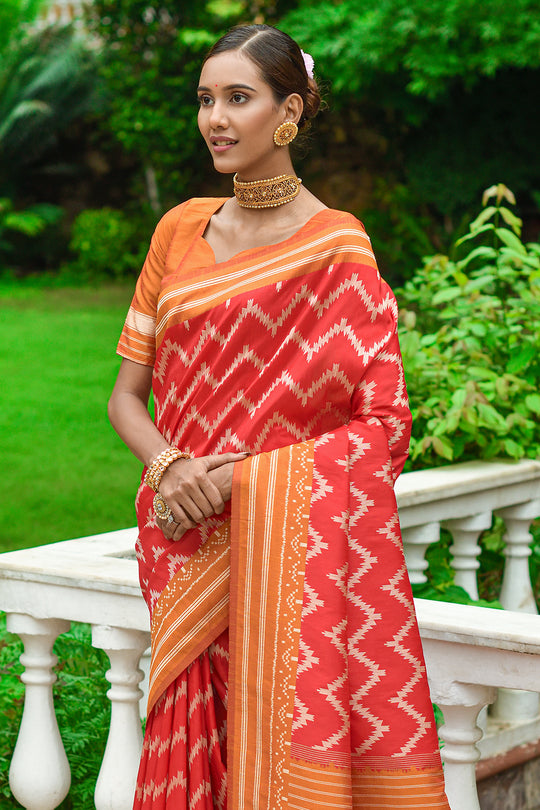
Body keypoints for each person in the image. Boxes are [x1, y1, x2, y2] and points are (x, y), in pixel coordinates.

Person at [108, 23, 451, 810]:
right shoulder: (178, 230)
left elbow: (383, 426)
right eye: (205, 100)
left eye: (239, 98)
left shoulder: (337, 250)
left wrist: (246, 481)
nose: (215, 120)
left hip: (286, 557)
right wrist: (173, 467)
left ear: (288, 112)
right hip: (183, 538)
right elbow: (127, 396)